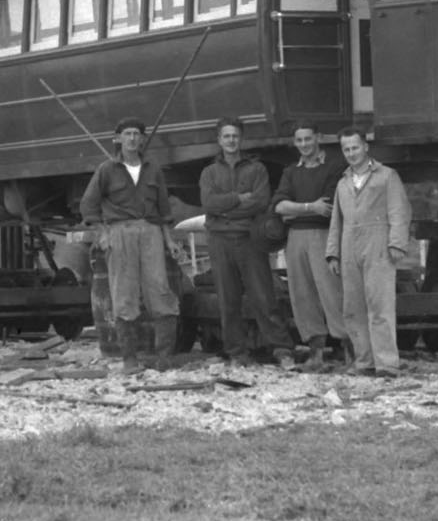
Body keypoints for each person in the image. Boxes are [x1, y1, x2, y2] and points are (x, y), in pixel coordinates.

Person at [80, 117, 194, 374]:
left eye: (136, 134)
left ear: (142, 139)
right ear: (118, 139)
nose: (132, 139)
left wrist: (169, 242)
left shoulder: (154, 170)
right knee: (124, 295)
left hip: (151, 233)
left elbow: (164, 210)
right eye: (127, 134)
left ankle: (165, 357)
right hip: (119, 233)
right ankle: (129, 359)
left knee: (161, 291)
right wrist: (103, 233)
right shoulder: (106, 170)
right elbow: (88, 205)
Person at [198, 117, 294, 368]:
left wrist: (225, 209)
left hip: (249, 240)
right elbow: (208, 204)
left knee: (263, 296)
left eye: (235, 136)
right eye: (226, 136)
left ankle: (282, 349)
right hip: (220, 241)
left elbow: (261, 201)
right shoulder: (209, 172)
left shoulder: (257, 169)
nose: (231, 140)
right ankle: (237, 352)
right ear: (219, 140)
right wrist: (238, 199)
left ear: (241, 139)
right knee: (227, 300)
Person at [325, 126, 413, 378]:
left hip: (378, 244)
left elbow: (399, 210)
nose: (351, 153)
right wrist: (333, 253)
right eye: (346, 149)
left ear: (365, 147)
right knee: (353, 308)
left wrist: (397, 243)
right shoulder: (342, 183)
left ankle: (386, 363)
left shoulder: (387, 176)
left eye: (355, 147)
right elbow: (336, 220)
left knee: (380, 305)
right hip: (349, 244)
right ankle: (364, 361)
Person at [270, 122, 347, 369]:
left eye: (308, 139)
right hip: (296, 238)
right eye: (299, 141)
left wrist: (297, 210)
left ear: (318, 138)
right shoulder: (291, 172)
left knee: (332, 292)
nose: (304, 145)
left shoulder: (334, 167)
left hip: (324, 236)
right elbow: (279, 206)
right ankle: (316, 354)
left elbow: (328, 208)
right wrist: (308, 207)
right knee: (302, 294)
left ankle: (350, 350)